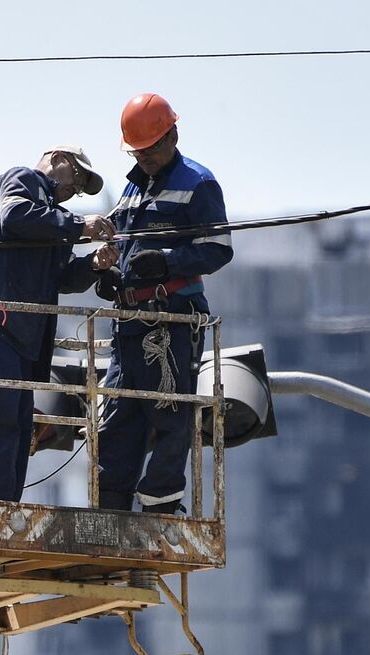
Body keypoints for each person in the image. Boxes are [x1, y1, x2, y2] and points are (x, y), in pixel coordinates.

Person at [93, 93, 234, 513]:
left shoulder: (198, 183)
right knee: (119, 417)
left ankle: (159, 510)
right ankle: (109, 514)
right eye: (138, 151)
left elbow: (218, 248)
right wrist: (108, 273)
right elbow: (121, 243)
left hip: (170, 322)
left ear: (172, 135)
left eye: (152, 148)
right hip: (129, 323)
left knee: (169, 415)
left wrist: (168, 262)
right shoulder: (134, 185)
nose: (146, 158)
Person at [0, 146, 119, 502]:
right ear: (58, 159)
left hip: (18, 337)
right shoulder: (24, 180)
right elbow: (14, 215)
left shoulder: (51, 221)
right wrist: (79, 225)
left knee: (18, 429)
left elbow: (61, 278)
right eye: (77, 177)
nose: (75, 190)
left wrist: (94, 264)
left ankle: (2, 510)